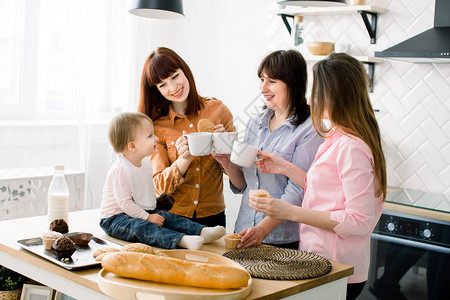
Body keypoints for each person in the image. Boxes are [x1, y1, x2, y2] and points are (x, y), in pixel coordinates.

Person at [249, 53, 387, 300]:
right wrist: (285, 167)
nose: (310, 101)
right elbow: (327, 192)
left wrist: (288, 211)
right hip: (321, 259)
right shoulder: (337, 136)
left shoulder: (351, 146)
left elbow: (359, 219)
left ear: (336, 94)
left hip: (339, 266)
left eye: (314, 93)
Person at [213, 49, 323, 249]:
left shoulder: (309, 129)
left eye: (271, 81)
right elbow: (244, 185)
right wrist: (227, 163)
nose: (263, 88)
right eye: (262, 80)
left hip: (281, 238)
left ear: (293, 83)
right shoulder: (256, 122)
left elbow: (299, 189)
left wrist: (263, 229)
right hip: (244, 230)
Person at [138, 47, 235, 227]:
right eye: (162, 85)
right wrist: (183, 160)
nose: (173, 88)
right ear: (156, 90)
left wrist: (225, 151)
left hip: (213, 217)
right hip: (173, 218)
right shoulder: (156, 127)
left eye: (175, 76)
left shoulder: (218, 110)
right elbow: (159, 187)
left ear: (185, 71)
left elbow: (240, 179)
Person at [100, 112, 225, 250]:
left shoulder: (146, 164)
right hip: (115, 218)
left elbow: (145, 191)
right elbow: (125, 203)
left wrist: (156, 203)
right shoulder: (120, 170)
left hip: (138, 210)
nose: (156, 138)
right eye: (150, 136)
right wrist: (147, 217)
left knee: (169, 217)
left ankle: (202, 231)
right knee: (142, 228)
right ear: (132, 146)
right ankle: (181, 240)